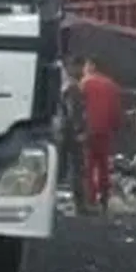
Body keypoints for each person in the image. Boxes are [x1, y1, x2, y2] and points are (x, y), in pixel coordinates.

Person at [80, 57, 122, 214]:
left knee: (88, 166)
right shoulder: (111, 85)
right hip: (105, 131)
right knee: (104, 165)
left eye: (85, 65)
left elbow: (79, 109)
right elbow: (116, 111)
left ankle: (90, 199)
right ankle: (104, 197)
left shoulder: (84, 84)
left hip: (87, 131)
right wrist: (116, 127)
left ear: (92, 66)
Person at [58, 56, 87, 213]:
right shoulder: (72, 86)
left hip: (60, 131)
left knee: (60, 169)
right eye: (81, 67)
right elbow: (74, 111)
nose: (82, 71)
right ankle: (79, 205)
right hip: (70, 133)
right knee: (76, 168)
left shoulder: (61, 85)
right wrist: (79, 131)